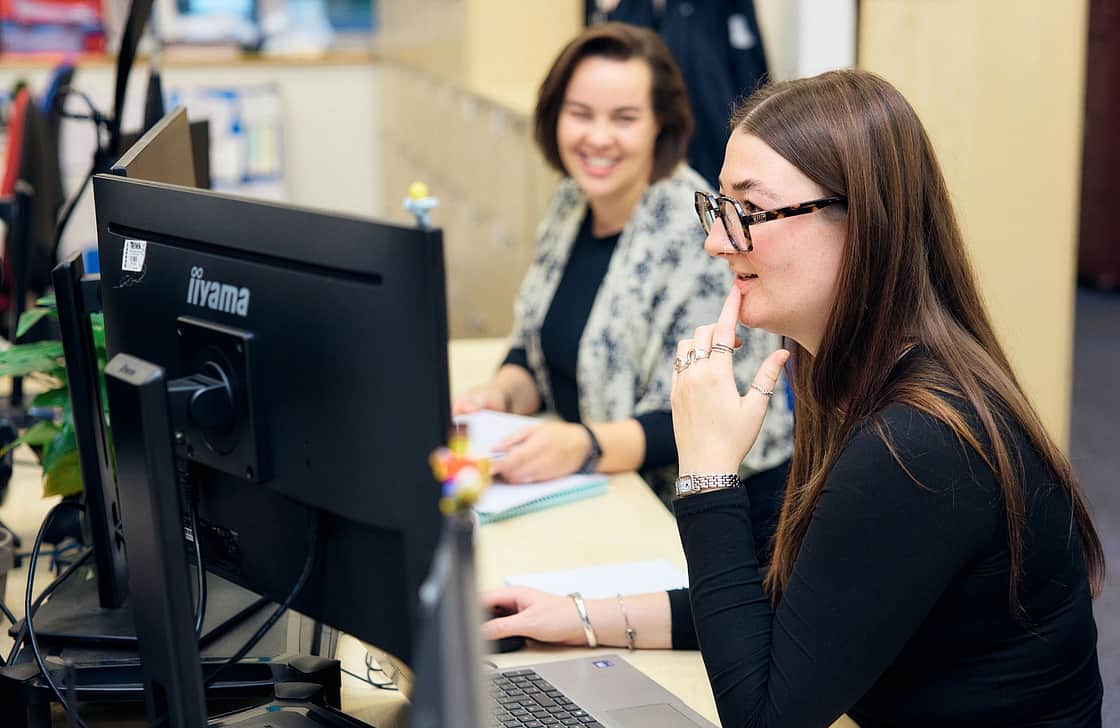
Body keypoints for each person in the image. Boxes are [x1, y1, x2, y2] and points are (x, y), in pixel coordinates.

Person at [482, 69, 1105, 726]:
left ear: (861, 221)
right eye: (718, 207)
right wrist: (580, 617)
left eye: (748, 211)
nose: (717, 242)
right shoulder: (848, 373)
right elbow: (789, 603)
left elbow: (766, 717)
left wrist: (707, 475)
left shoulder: (919, 444)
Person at [453, 22, 792, 496]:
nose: (598, 137)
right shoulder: (571, 203)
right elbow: (538, 348)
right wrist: (501, 395)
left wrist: (584, 446)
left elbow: (700, 412)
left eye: (624, 118)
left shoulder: (697, 233)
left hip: (706, 510)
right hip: (604, 489)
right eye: (581, 113)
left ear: (661, 128)